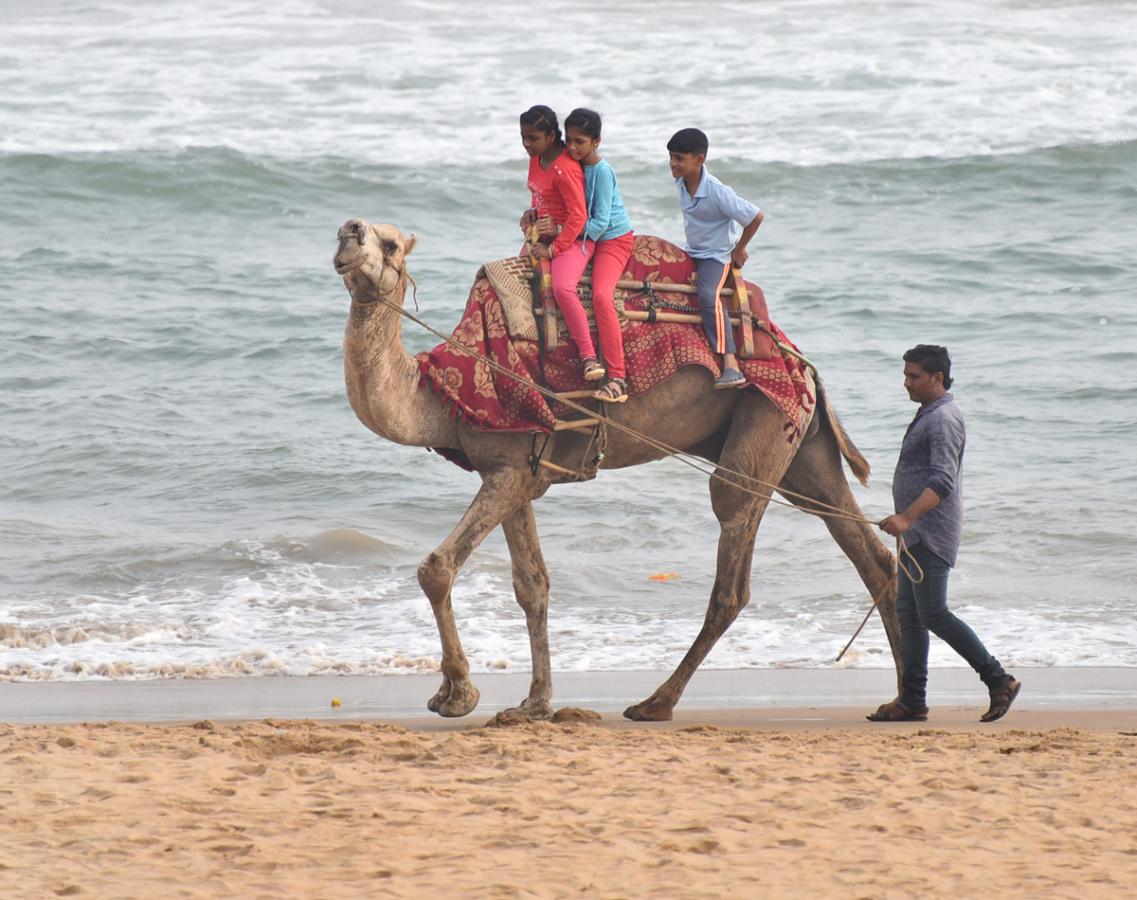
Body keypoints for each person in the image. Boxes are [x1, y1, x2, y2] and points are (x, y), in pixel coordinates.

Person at [868, 345, 1021, 723]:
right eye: (905, 375)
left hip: (930, 533)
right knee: (910, 614)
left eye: (914, 376)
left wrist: (906, 518)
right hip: (916, 534)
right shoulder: (929, 414)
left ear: (937, 378)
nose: (906, 383)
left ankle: (999, 679)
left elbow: (942, 481)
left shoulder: (943, 419)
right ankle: (913, 700)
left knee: (933, 613)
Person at [667, 128, 764, 390]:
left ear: (699, 160)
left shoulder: (718, 192)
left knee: (708, 295)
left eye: (679, 158)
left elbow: (755, 217)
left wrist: (739, 249)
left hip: (715, 256)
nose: (673, 164)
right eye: (671, 158)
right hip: (692, 251)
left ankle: (730, 362)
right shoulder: (682, 181)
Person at [518, 105, 602, 383]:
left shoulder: (566, 169)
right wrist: (532, 214)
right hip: (545, 233)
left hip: (574, 237)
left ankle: (588, 357)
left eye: (533, 138)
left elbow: (578, 218)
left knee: (562, 287)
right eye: (524, 138)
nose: (527, 144)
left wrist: (554, 248)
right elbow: (540, 195)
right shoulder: (537, 158)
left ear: (551, 136)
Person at [561, 108, 635, 404]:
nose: (573, 147)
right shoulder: (572, 164)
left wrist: (565, 233)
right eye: (568, 141)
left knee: (602, 296)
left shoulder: (602, 172)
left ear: (596, 141)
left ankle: (618, 376)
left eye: (580, 141)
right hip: (587, 236)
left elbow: (601, 222)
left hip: (612, 239)